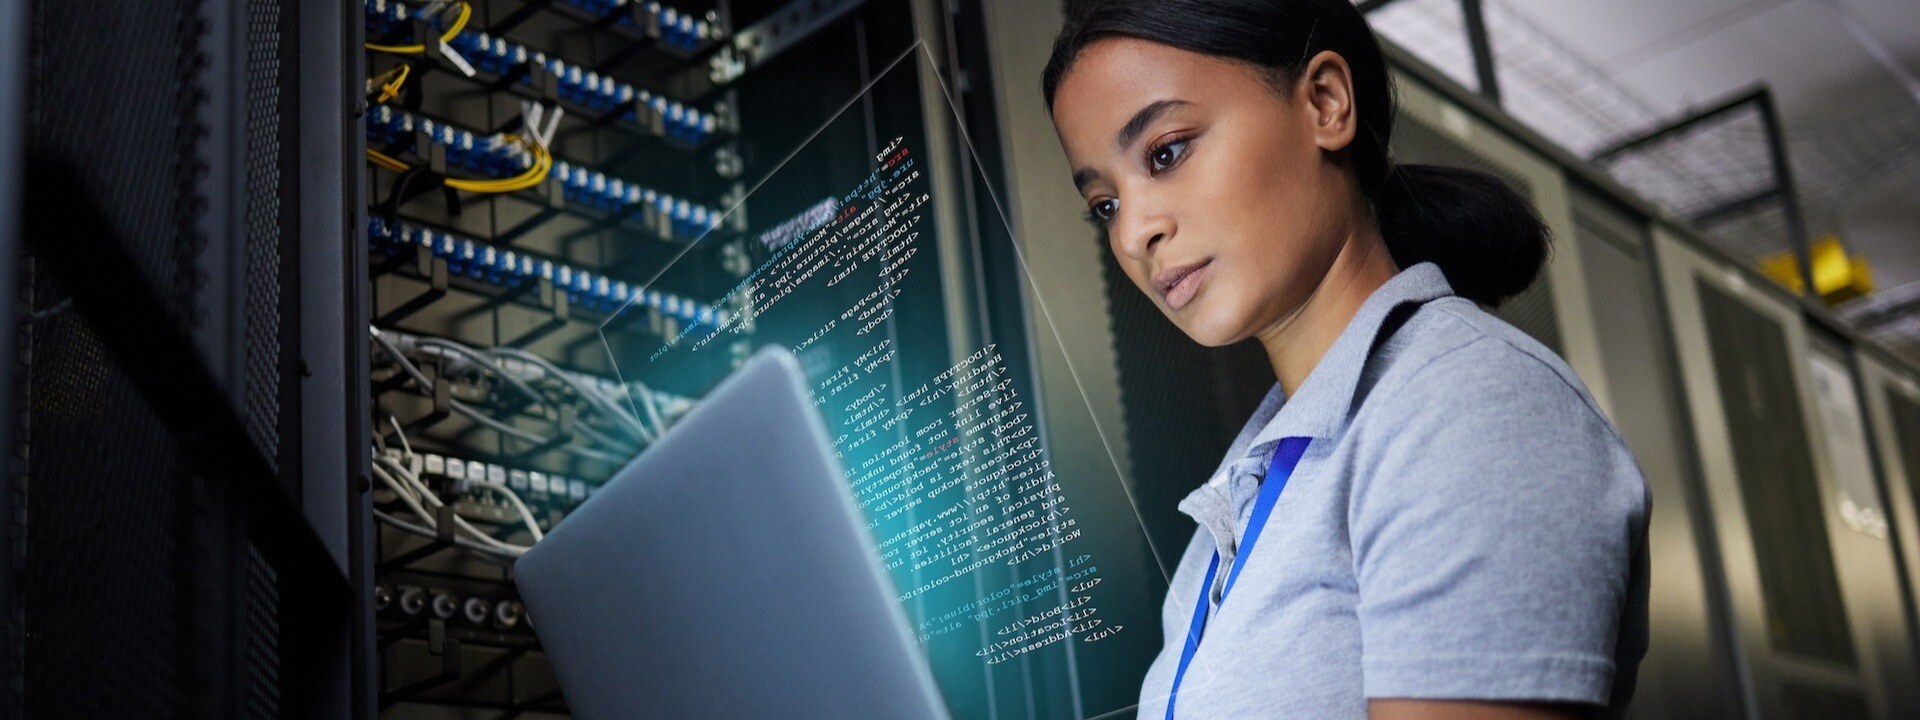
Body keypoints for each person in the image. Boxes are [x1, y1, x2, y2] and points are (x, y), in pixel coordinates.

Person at [1042, 1, 1650, 718]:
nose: (1136, 231)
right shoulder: (1252, 491)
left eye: (1167, 152)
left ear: (1326, 103)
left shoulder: (1469, 408)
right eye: (1105, 204)